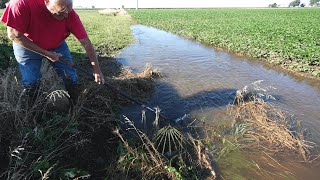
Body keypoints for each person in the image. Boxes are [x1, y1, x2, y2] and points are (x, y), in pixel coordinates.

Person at [0, 0, 105, 106]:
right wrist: (46, 53)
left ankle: (75, 103)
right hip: (26, 46)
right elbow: (14, 35)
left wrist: (97, 70)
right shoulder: (21, 4)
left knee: (70, 75)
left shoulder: (70, 15)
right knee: (31, 81)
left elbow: (86, 43)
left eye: (69, 10)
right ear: (47, 2)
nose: (66, 15)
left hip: (57, 45)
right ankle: (37, 109)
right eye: (61, 12)